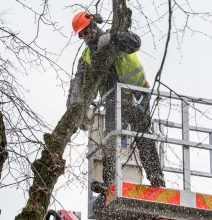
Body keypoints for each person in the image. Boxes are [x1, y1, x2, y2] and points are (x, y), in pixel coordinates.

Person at [68, 11, 165, 194]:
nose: (87, 36)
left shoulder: (115, 36)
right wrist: (75, 109)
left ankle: (156, 177)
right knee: (110, 137)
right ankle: (110, 182)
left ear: (94, 25)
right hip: (113, 99)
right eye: (82, 34)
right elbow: (77, 85)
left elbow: (136, 42)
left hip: (136, 93)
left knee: (143, 134)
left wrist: (113, 38)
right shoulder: (87, 57)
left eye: (88, 31)